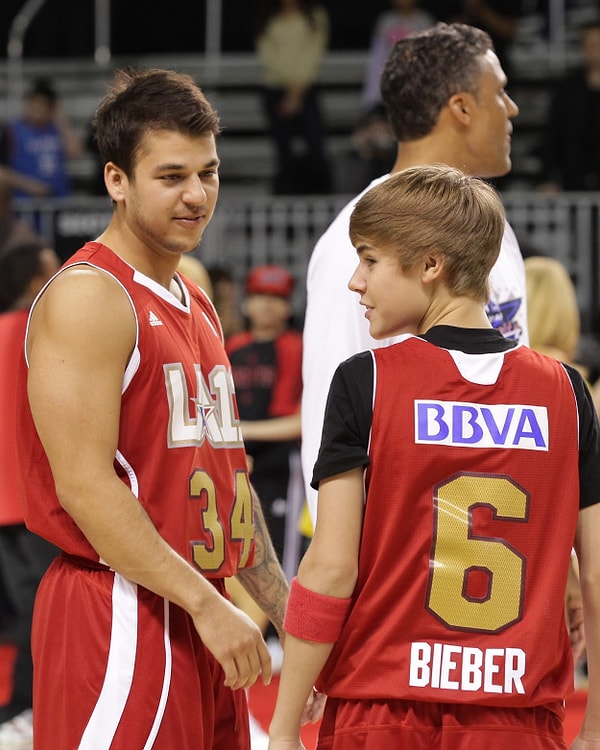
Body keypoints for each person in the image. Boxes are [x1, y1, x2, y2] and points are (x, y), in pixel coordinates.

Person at [268, 164, 600, 750]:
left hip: (384, 709)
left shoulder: (366, 381)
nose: (354, 281)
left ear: (429, 266)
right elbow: (596, 572)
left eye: (370, 259)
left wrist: (285, 725)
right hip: (517, 720)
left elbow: (331, 567)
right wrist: (595, 725)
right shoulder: (566, 392)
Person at [16, 68, 290, 750]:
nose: (198, 195)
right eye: (172, 177)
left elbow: (229, 479)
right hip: (120, 607)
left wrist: (289, 616)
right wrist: (205, 602)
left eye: (210, 172)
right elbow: (83, 485)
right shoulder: (90, 295)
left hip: (199, 604)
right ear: (117, 180)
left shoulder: (194, 301)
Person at [301, 22, 527, 528]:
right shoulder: (355, 245)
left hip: (496, 542)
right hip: (407, 564)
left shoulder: (494, 229)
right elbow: (329, 427)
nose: (512, 110)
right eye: (501, 93)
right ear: (462, 108)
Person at [0, 238, 61, 748]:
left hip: (4, 499)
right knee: (46, 611)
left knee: (28, 610)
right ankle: (28, 707)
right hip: (35, 496)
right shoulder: (40, 330)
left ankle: (24, 707)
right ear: (34, 281)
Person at [226, 264, 303, 572]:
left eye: (276, 297)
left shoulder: (296, 347)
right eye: (260, 295)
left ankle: (281, 621)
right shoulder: (234, 346)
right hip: (237, 459)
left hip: (280, 462)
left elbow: (299, 419)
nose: (267, 304)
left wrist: (239, 431)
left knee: (281, 551)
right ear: (247, 301)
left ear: (287, 306)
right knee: (239, 550)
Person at [254, 0, 332, 194]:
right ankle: (287, 197)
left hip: (307, 89)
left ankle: (320, 194)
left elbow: (314, 54)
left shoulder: (315, 16)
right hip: (275, 89)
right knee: (283, 150)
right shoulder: (267, 18)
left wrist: (297, 90)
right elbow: (267, 56)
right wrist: (291, 88)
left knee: (316, 147)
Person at [538, 20, 600, 192]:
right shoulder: (568, 89)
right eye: (589, 44)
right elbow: (553, 135)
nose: (593, 49)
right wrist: (549, 178)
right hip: (574, 182)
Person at [0, 77, 83, 200]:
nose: (38, 109)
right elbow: (2, 172)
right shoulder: (12, 131)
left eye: (43, 105)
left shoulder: (56, 129)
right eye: (35, 103)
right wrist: (30, 186)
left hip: (58, 201)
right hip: (24, 205)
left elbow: (76, 152)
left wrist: (61, 120)